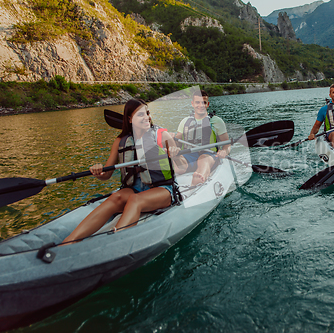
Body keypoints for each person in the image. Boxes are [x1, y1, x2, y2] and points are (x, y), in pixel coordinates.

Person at [63, 99, 179, 244]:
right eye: (140, 115)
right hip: (134, 188)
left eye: (147, 113)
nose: (146, 117)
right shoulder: (120, 141)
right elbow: (106, 175)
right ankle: (69, 241)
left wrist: (175, 152)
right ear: (130, 119)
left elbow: (183, 166)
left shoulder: (162, 135)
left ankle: (115, 243)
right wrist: (98, 171)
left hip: (162, 190)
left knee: (135, 200)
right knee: (115, 198)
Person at [174, 90, 230, 185]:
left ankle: (200, 177)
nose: (201, 105)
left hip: (209, 155)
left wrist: (225, 151)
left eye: (203, 102)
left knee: (203, 160)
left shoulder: (216, 121)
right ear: (192, 103)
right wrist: (173, 148)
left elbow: (227, 144)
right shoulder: (185, 121)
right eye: (197, 102)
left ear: (207, 104)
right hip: (190, 155)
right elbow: (177, 142)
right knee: (179, 163)